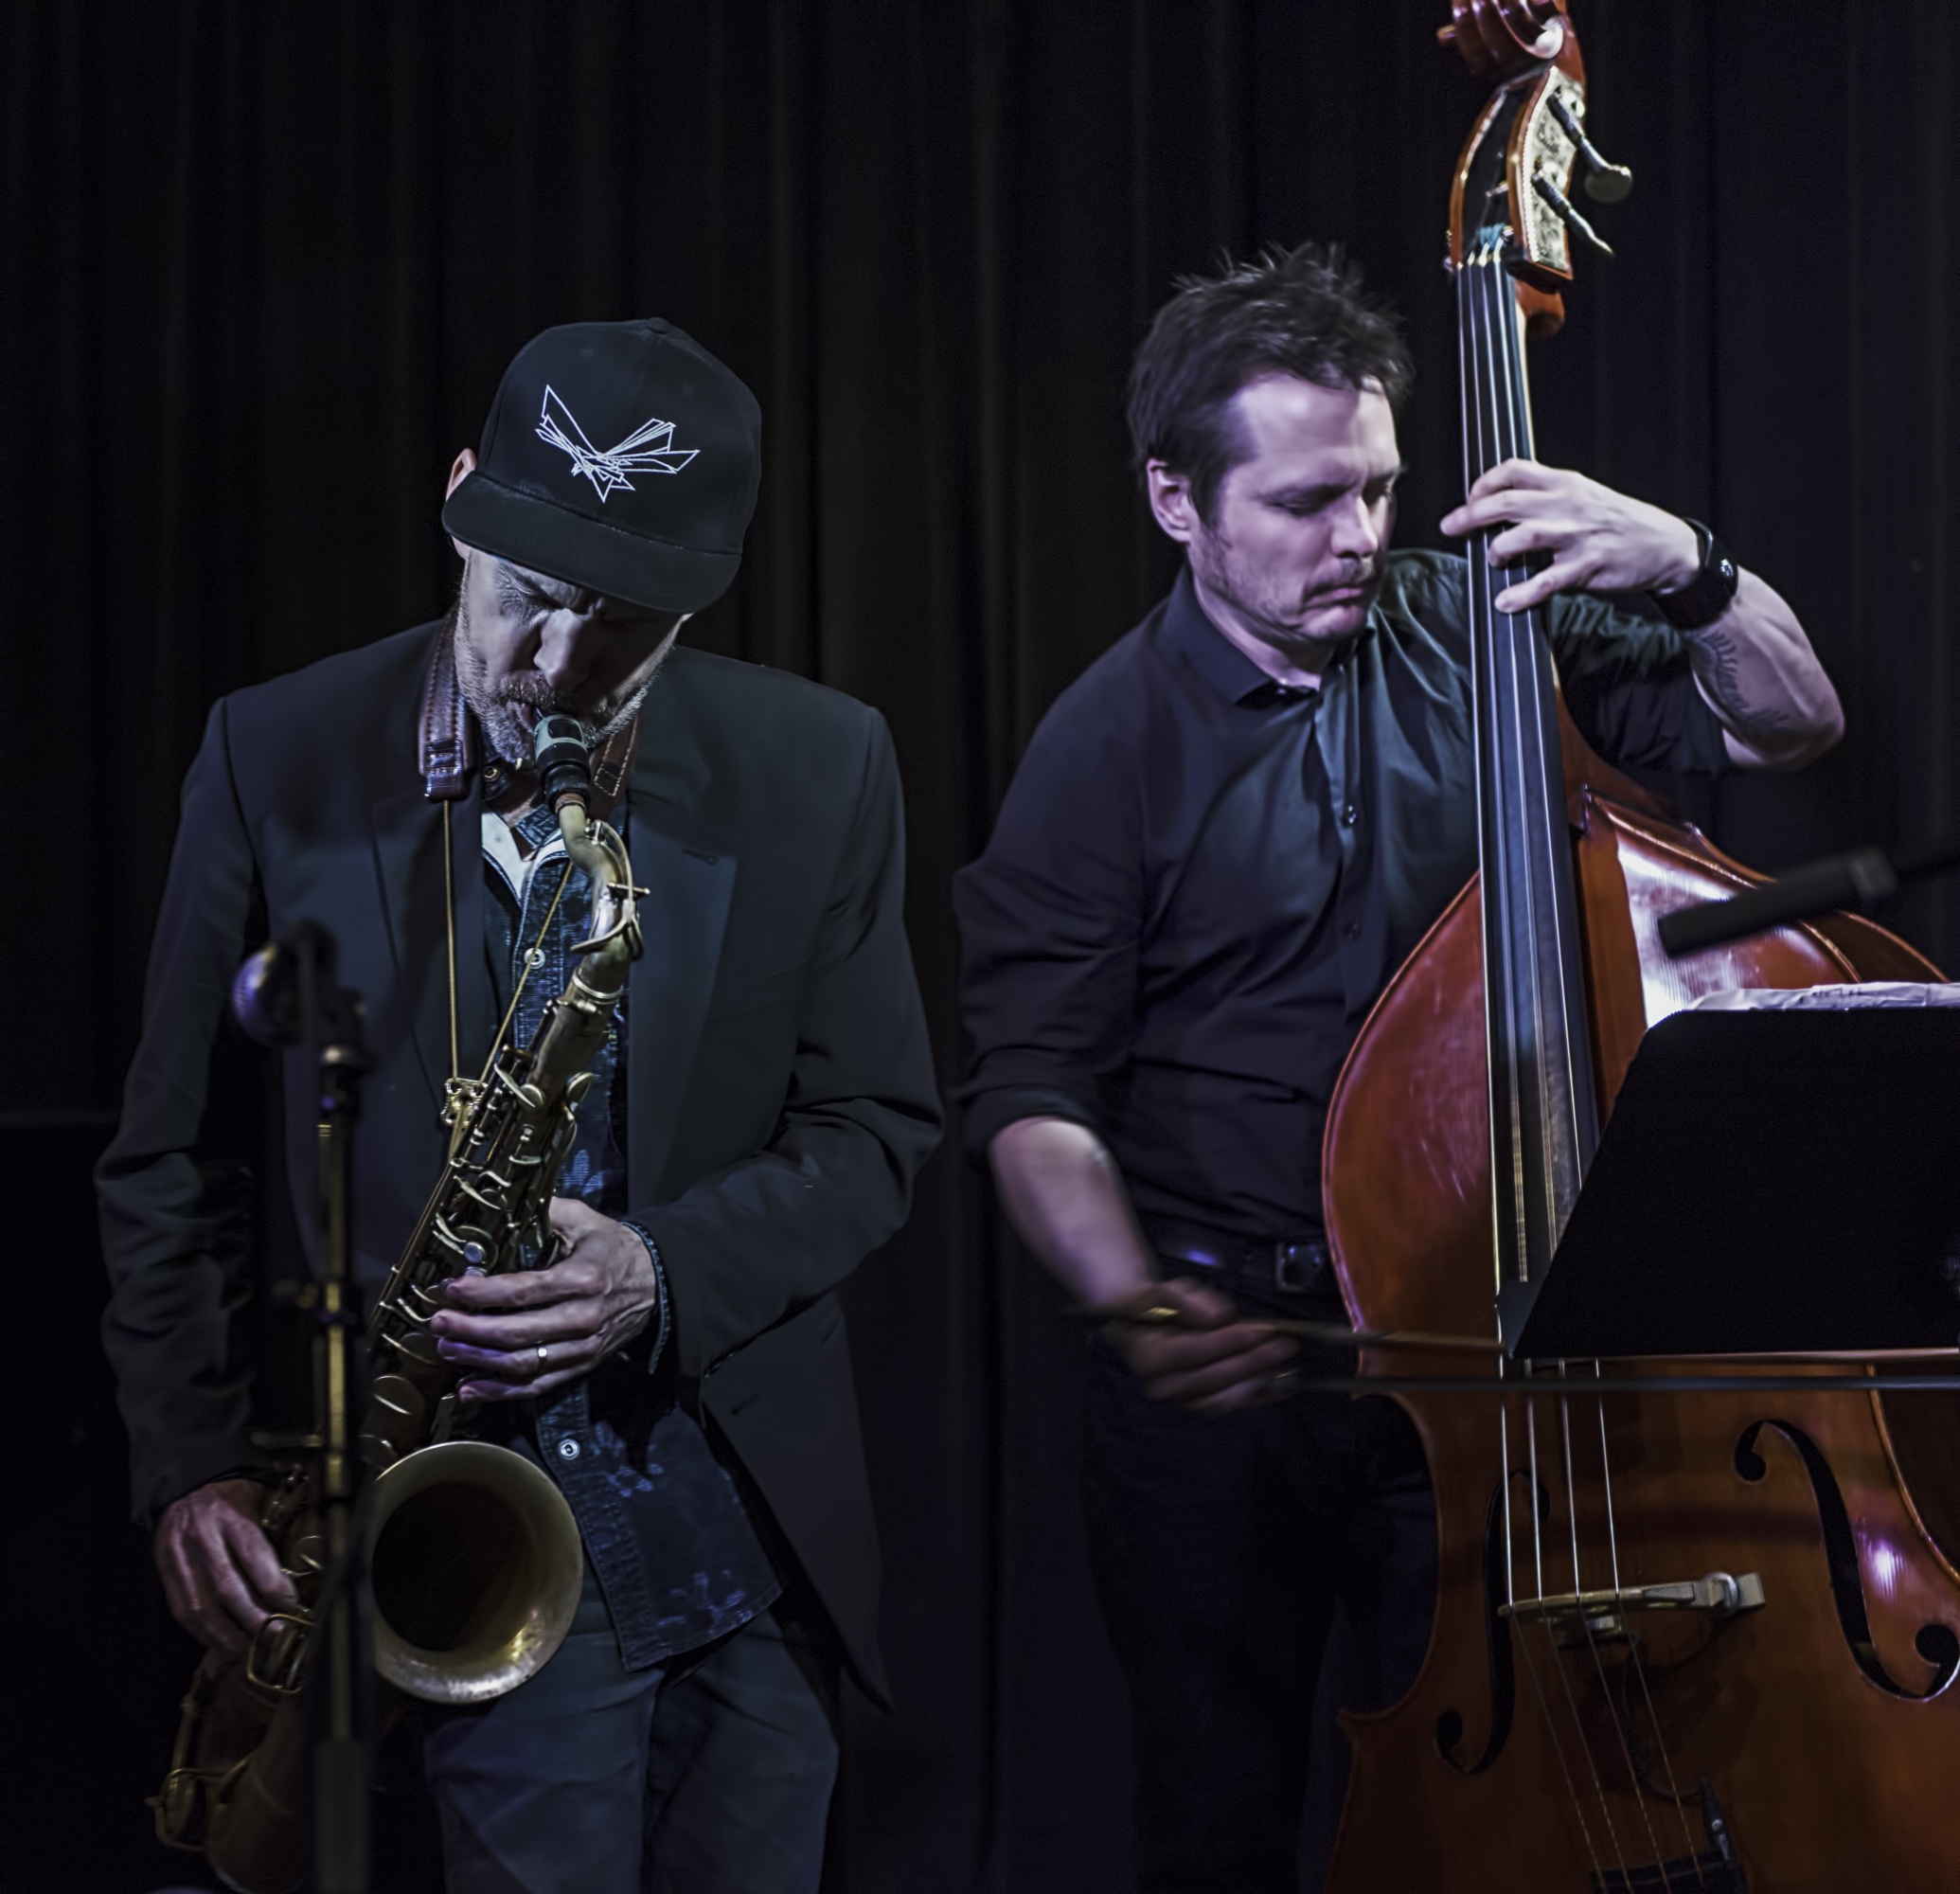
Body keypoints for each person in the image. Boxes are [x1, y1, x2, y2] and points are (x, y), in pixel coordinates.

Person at [953, 243, 1843, 1893]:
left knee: (1493, 1821)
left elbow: (1787, 725)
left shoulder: (1489, 631)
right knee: (1213, 1821)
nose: (1358, 538)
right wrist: (1129, 1296)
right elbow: (1030, 1098)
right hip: (1237, 1376)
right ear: (1175, 500)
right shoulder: (1101, 747)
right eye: (1304, 502)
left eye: (1376, 488)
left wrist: (1693, 569)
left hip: (1496, 1350)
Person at [98, 316, 942, 1892]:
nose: (553, 669)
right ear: (463, 496)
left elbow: (877, 1132)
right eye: (530, 599)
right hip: (458, 1519)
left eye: (619, 627)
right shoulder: (269, 751)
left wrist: (660, 1269)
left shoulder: (823, 764)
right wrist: (190, 1458)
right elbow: (168, 1157)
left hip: (742, 1531)